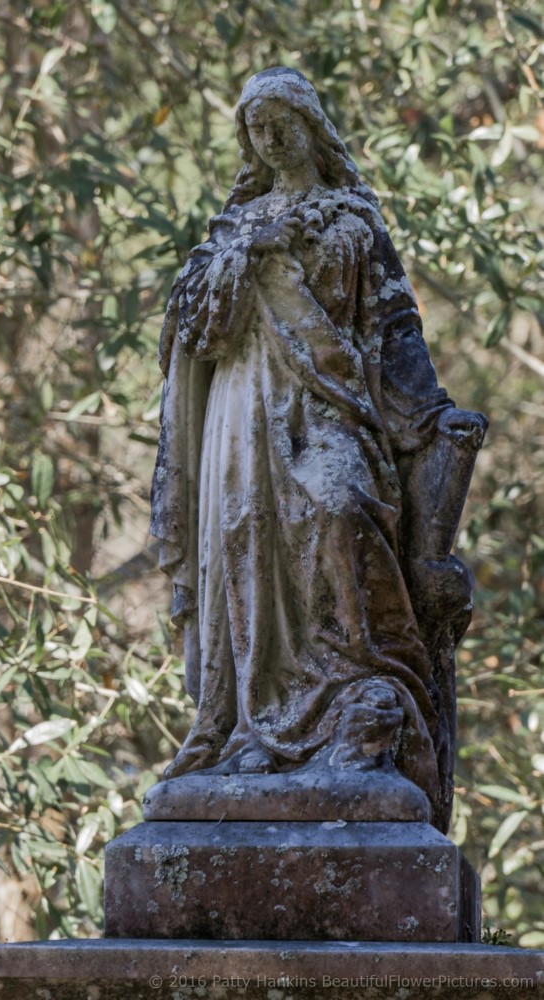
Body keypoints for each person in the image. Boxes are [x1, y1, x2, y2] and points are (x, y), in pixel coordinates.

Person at [150, 67, 486, 830]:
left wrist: (434, 424)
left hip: (332, 411)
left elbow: (396, 338)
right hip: (243, 418)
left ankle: (358, 701)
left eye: (279, 121)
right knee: (248, 543)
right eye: (254, 127)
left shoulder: (354, 225)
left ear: (310, 127)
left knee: (339, 511)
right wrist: (242, 258)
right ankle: (247, 728)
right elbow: (191, 334)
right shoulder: (229, 231)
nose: (268, 137)